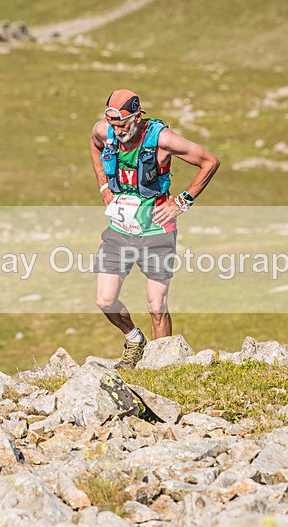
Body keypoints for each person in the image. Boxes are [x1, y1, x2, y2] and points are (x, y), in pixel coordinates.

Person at [89, 89, 220, 369]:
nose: (117, 130)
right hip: (119, 229)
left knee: (156, 305)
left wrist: (182, 202)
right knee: (105, 299)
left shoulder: (161, 139)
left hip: (157, 231)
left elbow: (209, 161)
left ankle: (161, 368)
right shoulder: (104, 131)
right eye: (113, 124)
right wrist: (103, 183)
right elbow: (94, 143)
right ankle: (135, 340)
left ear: (137, 117)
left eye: (123, 124)